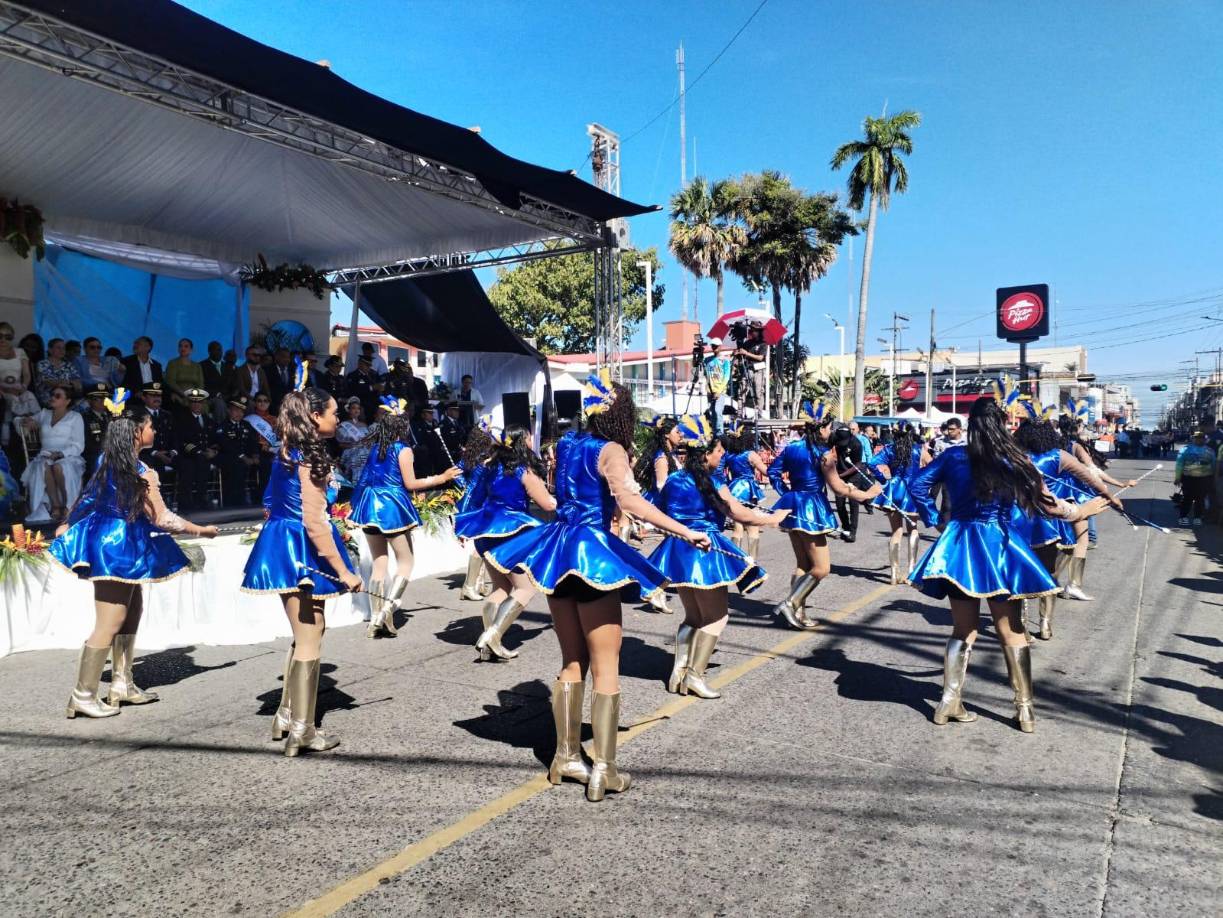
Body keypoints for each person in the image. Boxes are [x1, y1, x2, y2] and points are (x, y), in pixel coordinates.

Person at [485, 370, 710, 801]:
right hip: (592, 556)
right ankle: (603, 770)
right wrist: (683, 531)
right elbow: (630, 501)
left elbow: (561, 495)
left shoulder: (565, 445)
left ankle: (565, 758)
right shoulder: (610, 450)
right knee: (606, 666)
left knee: (572, 661)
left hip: (558, 550)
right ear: (619, 415)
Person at [907, 398, 1109, 733]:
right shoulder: (1015, 460)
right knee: (1011, 630)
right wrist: (1081, 512)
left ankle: (948, 702)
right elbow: (1047, 506)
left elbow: (918, 485)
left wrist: (936, 520)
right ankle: (1024, 710)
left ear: (972, 426)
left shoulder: (953, 455)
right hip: (999, 546)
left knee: (963, 629)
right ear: (1002, 425)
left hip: (959, 546)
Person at [48, 394, 217, 718]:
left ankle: (122, 683)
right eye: (151, 424)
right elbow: (163, 519)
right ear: (138, 432)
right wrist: (201, 530)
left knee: (133, 607)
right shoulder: (139, 471)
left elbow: (88, 496)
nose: (154, 428)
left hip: (117, 540)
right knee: (109, 621)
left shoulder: (112, 462)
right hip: (116, 546)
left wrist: (70, 520)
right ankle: (82, 695)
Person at [240, 382, 363, 757]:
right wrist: (344, 570)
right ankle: (304, 731)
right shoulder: (310, 458)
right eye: (333, 411)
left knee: (307, 630)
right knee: (310, 634)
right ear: (314, 416)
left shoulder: (288, 452)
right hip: (300, 546)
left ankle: (288, 713)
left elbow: (270, 501)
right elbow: (314, 522)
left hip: (281, 540)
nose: (338, 417)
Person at [648, 415, 787, 698]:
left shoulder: (675, 479)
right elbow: (737, 512)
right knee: (716, 617)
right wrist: (772, 518)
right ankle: (695, 677)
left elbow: (659, 511)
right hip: (705, 550)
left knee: (694, 616)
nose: (722, 454)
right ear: (706, 453)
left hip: (678, 550)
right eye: (719, 450)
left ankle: (680, 671)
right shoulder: (712, 481)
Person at [351, 396, 462, 637]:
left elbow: (365, 480)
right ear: (402, 425)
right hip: (391, 507)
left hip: (369, 506)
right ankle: (384, 613)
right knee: (406, 562)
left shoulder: (374, 448)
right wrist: (441, 478)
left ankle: (376, 619)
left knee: (379, 564)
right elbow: (411, 483)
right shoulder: (403, 449)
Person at [768, 402, 881, 630]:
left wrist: (788, 494)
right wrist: (867, 494)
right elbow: (838, 487)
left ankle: (798, 614)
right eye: (828, 427)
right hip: (812, 506)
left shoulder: (791, 448)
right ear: (821, 429)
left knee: (803, 563)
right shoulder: (824, 455)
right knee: (822, 568)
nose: (830, 432)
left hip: (794, 504)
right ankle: (791, 603)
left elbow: (773, 473)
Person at [1013, 414, 1118, 640]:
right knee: (1050, 573)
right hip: (1051, 518)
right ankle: (1045, 624)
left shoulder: (1015, 456)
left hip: (1018, 518)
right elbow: (1090, 477)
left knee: (1019, 573)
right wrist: (1110, 495)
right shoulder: (1058, 455)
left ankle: (1021, 626)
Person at [459, 424, 557, 660]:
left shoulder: (490, 467)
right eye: (530, 436)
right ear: (523, 441)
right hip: (511, 535)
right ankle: (492, 635)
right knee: (526, 588)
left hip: (487, 532)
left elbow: (474, 497)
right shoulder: (524, 471)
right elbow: (548, 505)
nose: (533, 438)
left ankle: (489, 645)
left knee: (501, 589)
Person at [1057, 414, 1134, 597]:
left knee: (1059, 540)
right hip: (1075, 496)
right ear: (1076, 428)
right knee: (1081, 540)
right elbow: (1093, 472)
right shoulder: (1075, 447)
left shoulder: (1053, 445)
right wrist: (1119, 483)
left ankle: (1052, 580)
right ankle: (1073, 584)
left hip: (1056, 494)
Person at [868, 422, 930, 584]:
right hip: (912, 491)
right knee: (913, 529)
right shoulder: (918, 449)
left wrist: (881, 478)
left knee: (896, 531)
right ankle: (911, 571)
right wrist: (922, 478)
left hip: (894, 490)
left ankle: (894, 574)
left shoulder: (889, 449)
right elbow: (932, 466)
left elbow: (872, 463)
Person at [20, 384, 85, 523]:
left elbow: (79, 445)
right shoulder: (44, 413)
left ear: (67, 401)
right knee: (44, 466)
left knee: (59, 467)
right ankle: (56, 506)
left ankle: (69, 506)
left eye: (57, 396)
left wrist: (60, 454)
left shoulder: (75, 417)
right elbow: (20, 421)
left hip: (69, 456)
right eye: (52, 395)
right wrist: (28, 421)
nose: (52, 398)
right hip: (45, 455)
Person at [722, 424, 770, 555]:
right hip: (748, 490)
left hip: (733, 488)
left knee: (737, 527)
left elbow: (720, 471)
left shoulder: (729, 455)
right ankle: (752, 561)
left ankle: (735, 559)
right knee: (752, 527)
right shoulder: (751, 454)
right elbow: (766, 472)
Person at [173, 388, 219, 511]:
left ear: (203, 404)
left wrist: (213, 451)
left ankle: (203, 499)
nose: (196, 405)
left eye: (199, 402)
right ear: (189, 403)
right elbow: (181, 441)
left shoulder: (209, 420)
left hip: (206, 456)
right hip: (188, 455)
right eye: (193, 402)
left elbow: (215, 440)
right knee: (191, 465)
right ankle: (187, 502)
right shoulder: (182, 419)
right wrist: (198, 452)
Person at [216, 395, 261, 507]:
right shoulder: (223, 426)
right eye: (236, 410)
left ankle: (259, 498)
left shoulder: (246, 425)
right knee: (237, 464)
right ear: (229, 411)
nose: (239, 414)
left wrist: (255, 455)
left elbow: (253, 442)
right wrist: (243, 457)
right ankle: (236, 501)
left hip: (247, 458)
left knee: (265, 463)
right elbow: (227, 446)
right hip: (229, 458)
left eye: (241, 411)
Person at [0, 321, 34, 446]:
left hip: (19, 387)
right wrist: (5, 389)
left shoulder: (20, 352)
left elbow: (26, 374)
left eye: (8, 337)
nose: (3, 339)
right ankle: (6, 439)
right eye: (0, 336)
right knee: (9, 400)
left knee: (30, 397)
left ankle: (32, 430)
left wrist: (24, 387)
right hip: (2, 389)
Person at [1175, 431, 1215, 526]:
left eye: (1201, 438)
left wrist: (1212, 477)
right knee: (1188, 498)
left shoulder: (1210, 451)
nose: (1199, 439)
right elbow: (1179, 464)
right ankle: (1183, 517)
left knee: (1200, 498)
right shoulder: (1185, 450)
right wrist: (1177, 477)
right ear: (1193, 439)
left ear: (1205, 439)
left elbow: (1213, 465)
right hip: (1188, 478)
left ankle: (1197, 517)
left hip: (1204, 478)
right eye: (1197, 438)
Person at [138, 382, 177, 475]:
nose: (157, 398)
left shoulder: (168, 415)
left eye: (159, 396)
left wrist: (173, 451)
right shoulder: (138, 415)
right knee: (155, 465)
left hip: (168, 453)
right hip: (148, 454)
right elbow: (137, 440)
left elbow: (175, 436)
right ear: (143, 397)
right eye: (152, 395)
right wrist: (155, 453)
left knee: (187, 463)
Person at [35, 338, 81, 405]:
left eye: (63, 348)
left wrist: (65, 383)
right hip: (49, 396)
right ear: (50, 350)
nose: (62, 350)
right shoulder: (42, 364)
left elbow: (78, 383)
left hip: (67, 396)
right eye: (58, 348)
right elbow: (48, 381)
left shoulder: (68, 365)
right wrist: (69, 383)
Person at [164, 338, 205, 415]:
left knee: (203, 407)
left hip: (194, 396)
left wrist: (196, 397)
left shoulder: (197, 366)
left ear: (191, 350)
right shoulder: (172, 363)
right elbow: (170, 381)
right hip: (178, 395)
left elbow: (200, 384)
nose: (183, 348)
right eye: (180, 346)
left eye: (186, 346)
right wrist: (184, 394)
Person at [336, 396, 371, 482]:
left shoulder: (364, 425)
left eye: (358, 408)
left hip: (364, 452)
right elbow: (341, 444)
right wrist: (355, 445)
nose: (356, 410)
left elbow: (369, 442)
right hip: (350, 453)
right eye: (353, 408)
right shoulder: (343, 425)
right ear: (348, 410)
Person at [80, 382, 112, 472]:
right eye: (98, 398)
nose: (103, 401)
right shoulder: (85, 418)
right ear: (89, 400)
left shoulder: (112, 416)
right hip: (94, 456)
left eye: (105, 398)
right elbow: (87, 444)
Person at [199, 340, 234, 419]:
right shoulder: (201, 366)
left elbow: (232, 385)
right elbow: (201, 385)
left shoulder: (228, 367)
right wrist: (217, 394)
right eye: (216, 350)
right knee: (219, 403)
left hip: (227, 397)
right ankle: (220, 429)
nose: (219, 352)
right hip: (210, 398)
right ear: (209, 351)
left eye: (220, 350)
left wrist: (230, 395)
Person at [345, 354, 382, 423]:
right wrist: (371, 387)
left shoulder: (373, 374)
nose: (369, 367)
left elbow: (379, 386)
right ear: (360, 364)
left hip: (373, 406)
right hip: (361, 407)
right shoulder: (353, 376)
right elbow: (353, 391)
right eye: (367, 365)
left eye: (370, 365)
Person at [265, 348, 298, 414]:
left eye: (288, 357)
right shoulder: (268, 370)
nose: (287, 359)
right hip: (274, 405)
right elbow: (266, 387)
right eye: (284, 357)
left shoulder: (293, 369)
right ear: (276, 357)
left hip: (290, 404)